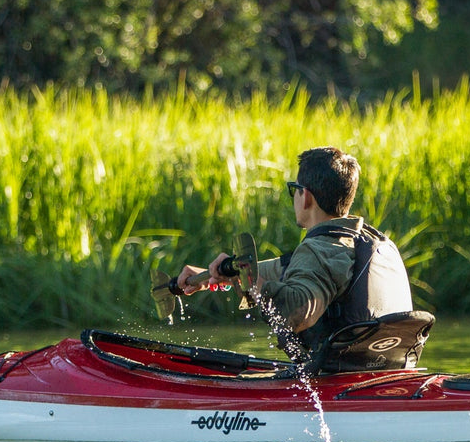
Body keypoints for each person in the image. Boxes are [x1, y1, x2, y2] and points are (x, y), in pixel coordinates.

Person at [176, 146, 414, 357]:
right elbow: (282, 269)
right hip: (383, 374)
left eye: (294, 190)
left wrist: (250, 281)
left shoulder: (319, 250)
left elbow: (299, 311)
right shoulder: (355, 242)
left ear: (306, 196)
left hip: (336, 382)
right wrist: (212, 276)